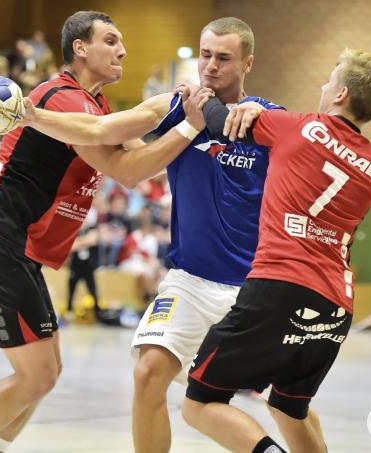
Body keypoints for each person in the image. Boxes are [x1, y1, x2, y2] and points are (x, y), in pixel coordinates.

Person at [0, 11, 208, 453]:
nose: (123, 50)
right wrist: (178, 114)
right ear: (80, 48)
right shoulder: (62, 97)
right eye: (111, 40)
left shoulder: (96, 106)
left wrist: (189, 126)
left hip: (18, 252)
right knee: (36, 375)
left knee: (46, 374)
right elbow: (122, 161)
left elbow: (142, 164)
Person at [21, 16, 283, 453]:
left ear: (248, 63)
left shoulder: (270, 119)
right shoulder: (174, 106)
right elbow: (98, 130)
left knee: (287, 403)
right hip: (189, 281)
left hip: (251, 287)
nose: (210, 66)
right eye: (205, 55)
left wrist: (262, 115)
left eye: (223, 58)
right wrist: (30, 115)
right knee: (147, 374)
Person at [180, 48, 371, 453]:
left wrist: (201, 95)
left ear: (341, 94)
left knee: (199, 404)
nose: (323, 86)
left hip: (279, 287)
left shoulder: (296, 127)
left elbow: (219, 122)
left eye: (330, 80)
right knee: (289, 408)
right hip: (336, 304)